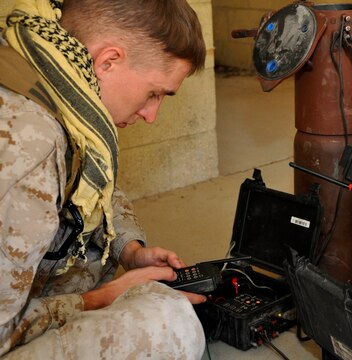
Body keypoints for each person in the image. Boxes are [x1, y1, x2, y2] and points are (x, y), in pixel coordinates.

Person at [0, 0, 208, 358]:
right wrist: (99, 300)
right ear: (108, 61)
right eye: (154, 93)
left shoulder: (46, 73)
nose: (152, 114)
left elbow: (96, 183)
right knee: (167, 325)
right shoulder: (32, 145)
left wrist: (130, 249)